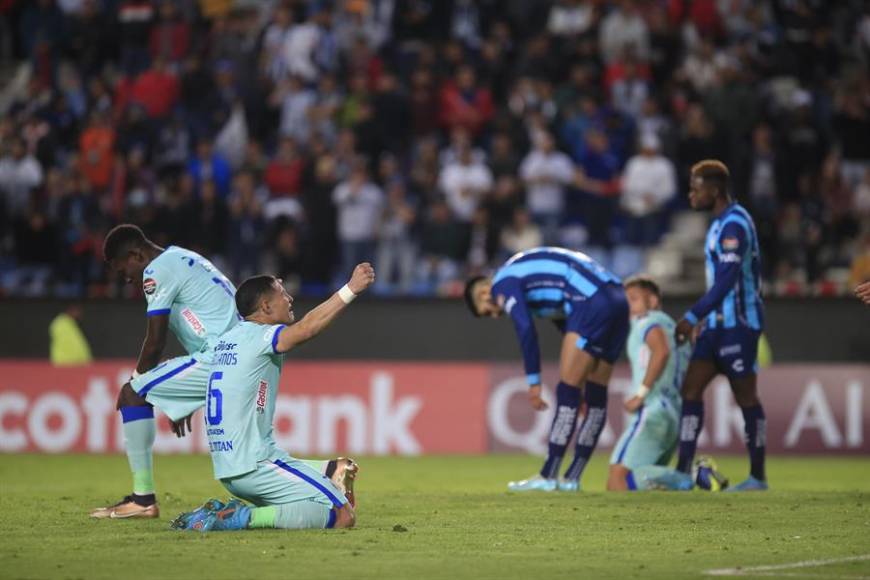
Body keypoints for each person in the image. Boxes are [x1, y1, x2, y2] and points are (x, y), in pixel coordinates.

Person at [171, 264, 376, 532]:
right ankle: (239, 518)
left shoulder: (227, 340)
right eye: (282, 293)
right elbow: (307, 328)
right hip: (257, 464)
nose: (289, 298)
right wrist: (351, 290)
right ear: (266, 307)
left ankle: (327, 477)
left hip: (230, 467)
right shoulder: (260, 336)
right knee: (342, 516)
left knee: (341, 469)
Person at [91, 224, 240, 519]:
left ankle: (143, 500)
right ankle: (332, 469)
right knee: (255, 457)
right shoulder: (182, 257)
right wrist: (181, 395)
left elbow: (155, 342)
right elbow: (207, 322)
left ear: (136, 254)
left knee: (133, 394)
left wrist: (135, 382)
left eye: (124, 270)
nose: (128, 278)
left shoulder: (155, 271)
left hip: (218, 357)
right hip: (239, 355)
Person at [464, 247, 629, 491]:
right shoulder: (529, 280)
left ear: (484, 292)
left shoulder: (501, 284)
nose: (495, 315)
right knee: (595, 395)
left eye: (487, 310)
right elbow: (562, 320)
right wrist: (578, 369)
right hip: (617, 297)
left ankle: (549, 475)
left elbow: (525, 328)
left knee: (568, 391)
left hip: (589, 299)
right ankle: (572, 478)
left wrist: (533, 381)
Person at [673, 160, 768, 491]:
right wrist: (706, 318)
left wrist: (692, 315)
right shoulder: (716, 225)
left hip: (740, 324)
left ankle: (757, 477)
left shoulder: (735, 225)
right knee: (691, 389)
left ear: (714, 190)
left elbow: (727, 280)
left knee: (746, 398)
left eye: (696, 188)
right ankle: (682, 471)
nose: (691, 194)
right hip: (715, 326)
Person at [607, 276, 689, 491]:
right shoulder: (677, 330)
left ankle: (693, 476)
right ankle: (681, 481)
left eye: (633, 300)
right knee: (643, 484)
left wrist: (641, 393)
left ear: (652, 301)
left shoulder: (647, 321)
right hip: (672, 413)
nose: (628, 307)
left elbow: (660, 352)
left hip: (652, 409)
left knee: (617, 479)